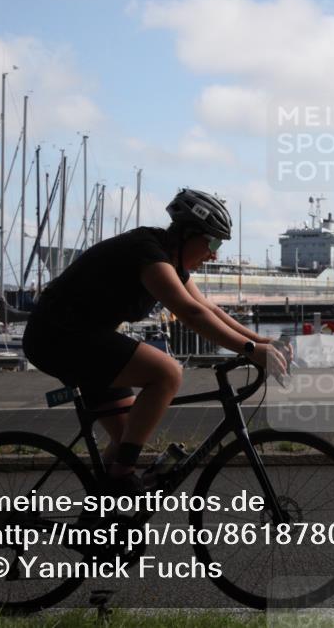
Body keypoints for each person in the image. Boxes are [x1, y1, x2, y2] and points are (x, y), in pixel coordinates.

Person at [22, 189, 287, 494]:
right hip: (58, 336)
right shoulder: (147, 252)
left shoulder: (170, 262)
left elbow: (209, 308)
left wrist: (261, 340)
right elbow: (191, 313)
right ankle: (121, 475)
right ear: (188, 233)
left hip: (85, 337)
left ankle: (98, 521)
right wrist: (252, 351)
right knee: (167, 372)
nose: (214, 253)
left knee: (127, 438)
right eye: (213, 243)